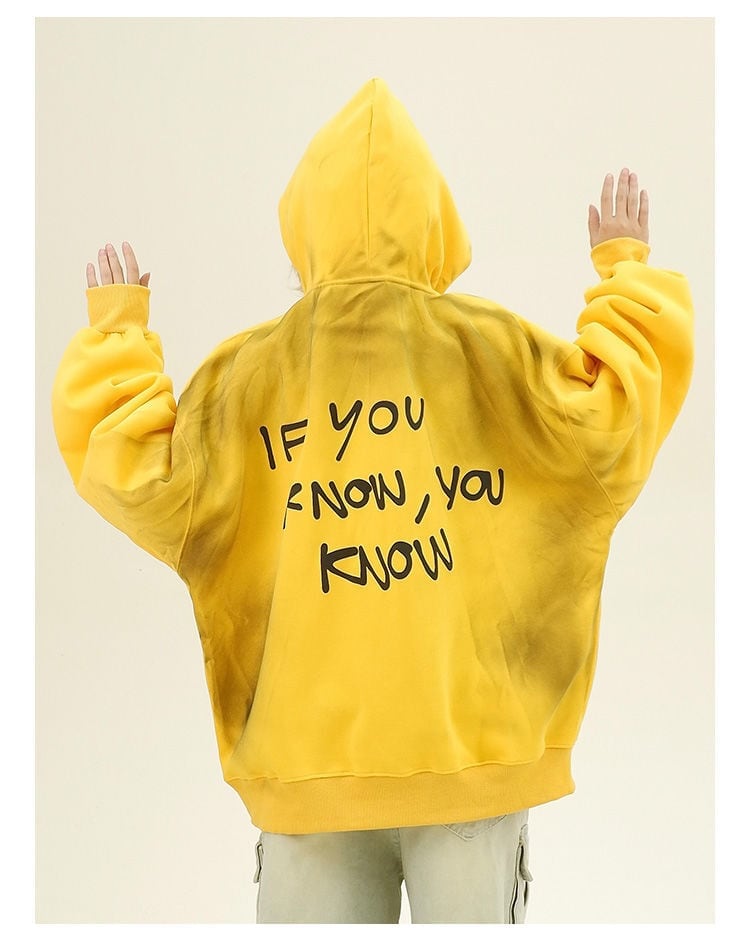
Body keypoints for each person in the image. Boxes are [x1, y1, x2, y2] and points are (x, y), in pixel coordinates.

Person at [51, 77, 694, 924]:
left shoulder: (250, 379)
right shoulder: (491, 351)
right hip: (472, 770)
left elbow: (141, 474)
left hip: (307, 777)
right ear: (433, 218)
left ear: (302, 223)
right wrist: (624, 272)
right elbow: (611, 421)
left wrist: (117, 339)